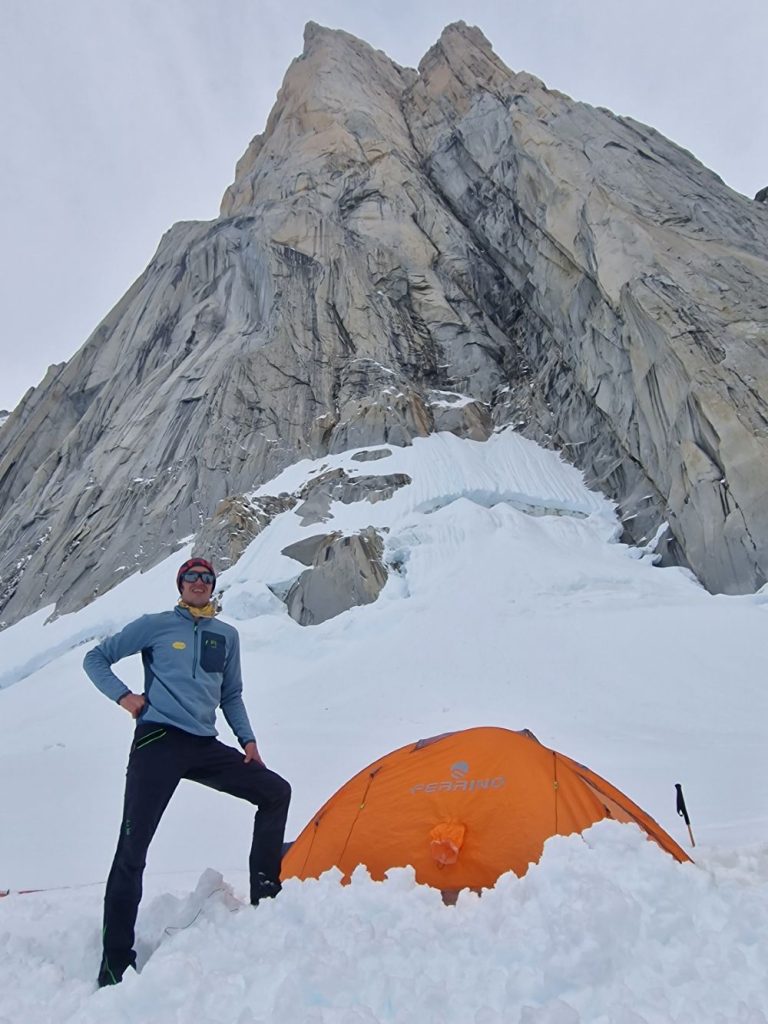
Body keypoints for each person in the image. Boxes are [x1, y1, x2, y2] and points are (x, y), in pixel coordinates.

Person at [83, 556, 291, 988]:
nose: (199, 582)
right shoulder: (156, 625)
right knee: (132, 849)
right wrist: (124, 697)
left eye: (206, 577)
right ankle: (114, 965)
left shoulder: (226, 636)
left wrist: (248, 741)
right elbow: (96, 659)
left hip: (203, 745)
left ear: (213, 586)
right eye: (191, 577)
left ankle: (267, 901)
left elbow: (231, 695)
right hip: (158, 740)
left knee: (275, 792)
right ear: (180, 585)